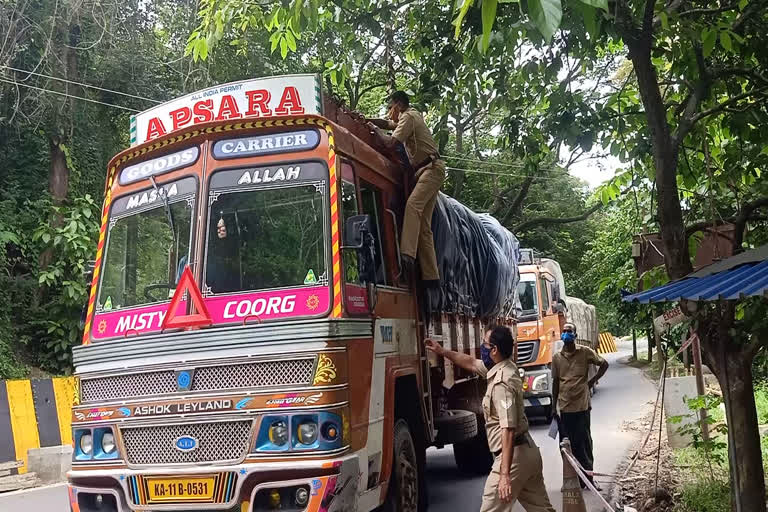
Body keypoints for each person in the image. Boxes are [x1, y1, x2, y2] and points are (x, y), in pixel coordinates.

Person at [426, 325, 556, 512]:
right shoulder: (503, 368)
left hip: (513, 459)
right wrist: (441, 351)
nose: (482, 347)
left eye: (485, 344)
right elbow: (471, 362)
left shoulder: (502, 382)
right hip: (528, 454)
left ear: (494, 350)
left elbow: (508, 429)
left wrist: (504, 475)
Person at [367, 91, 445, 286]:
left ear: (399, 105)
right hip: (429, 170)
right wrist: (368, 120)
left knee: (412, 206)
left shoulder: (408, 116)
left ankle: (407, 254)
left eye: (390, 106)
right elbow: (387, 124)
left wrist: (374, 131)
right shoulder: (410, 116)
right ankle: (431, 276)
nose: (389, 111)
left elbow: (392, 143)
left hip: (431, 169)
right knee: (424, 227)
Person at [552, 322, 609, 489]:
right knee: (566, 445)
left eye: (569, 331)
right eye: (564, 331)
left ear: (575, 335)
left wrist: (591, 382)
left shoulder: (584, 352)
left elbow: (604, 364)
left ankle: (589, 479)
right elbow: (556, 383)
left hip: (582, 407)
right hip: (564, 408)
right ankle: (570, 480)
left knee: (584, 443)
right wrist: (553, 406)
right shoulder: (556, 358)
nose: (566, 334)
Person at [206, 216, 240, 293]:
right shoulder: (210, 251)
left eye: (223, 230)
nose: (220, 232)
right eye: (218, 230)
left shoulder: (233, 245)